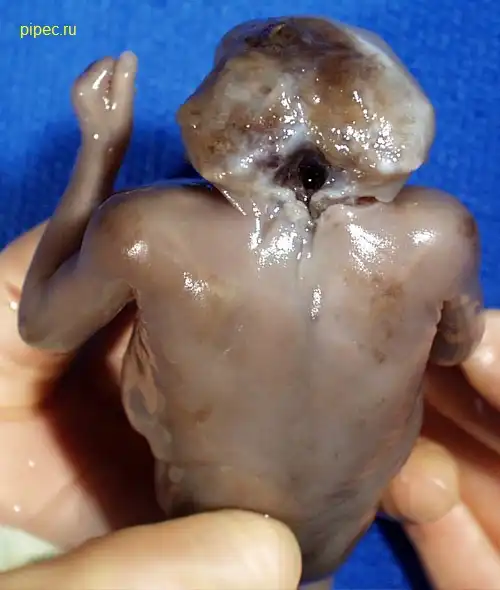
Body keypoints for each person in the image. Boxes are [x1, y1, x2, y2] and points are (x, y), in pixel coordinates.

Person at [0, 223, 499, 589]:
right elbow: (456, 346)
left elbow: (43, 325)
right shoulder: (434, 238)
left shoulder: (148, 232)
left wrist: (100, 156)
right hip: (286, 536)